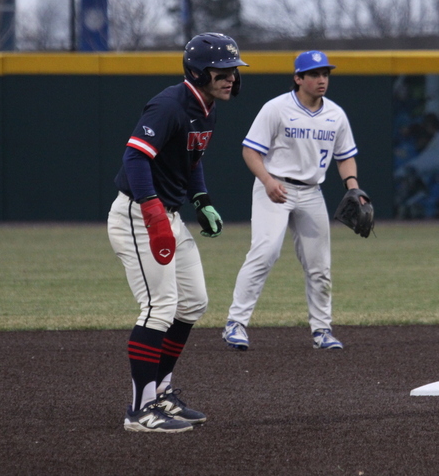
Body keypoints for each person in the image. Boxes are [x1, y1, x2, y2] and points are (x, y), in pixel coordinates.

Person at [107, 32, 247, 432]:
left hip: (167, 214)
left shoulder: (207, 108)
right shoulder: (169, 104)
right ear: (199, 72)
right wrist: (152, 210)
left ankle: (162, 392)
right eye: (222, 70)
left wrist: (201, 199)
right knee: (159, 306)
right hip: (138, 214)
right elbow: (135, 157)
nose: (231, 77)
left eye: (234, 70)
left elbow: (192, 159)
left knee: (193, 303)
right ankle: (140, 410)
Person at [222, 50, 362, 351]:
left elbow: (345, 156)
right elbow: (250, 150)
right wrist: (267, 180)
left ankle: (322, 331)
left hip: (311, 192)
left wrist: (353, 188)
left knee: (319, 266)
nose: (321, 79)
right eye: (314, 74)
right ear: (298, 78)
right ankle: (235, 323)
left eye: (325, 74)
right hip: (275, 186)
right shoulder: (276, 108)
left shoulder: (336, 114)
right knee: (265, 252)